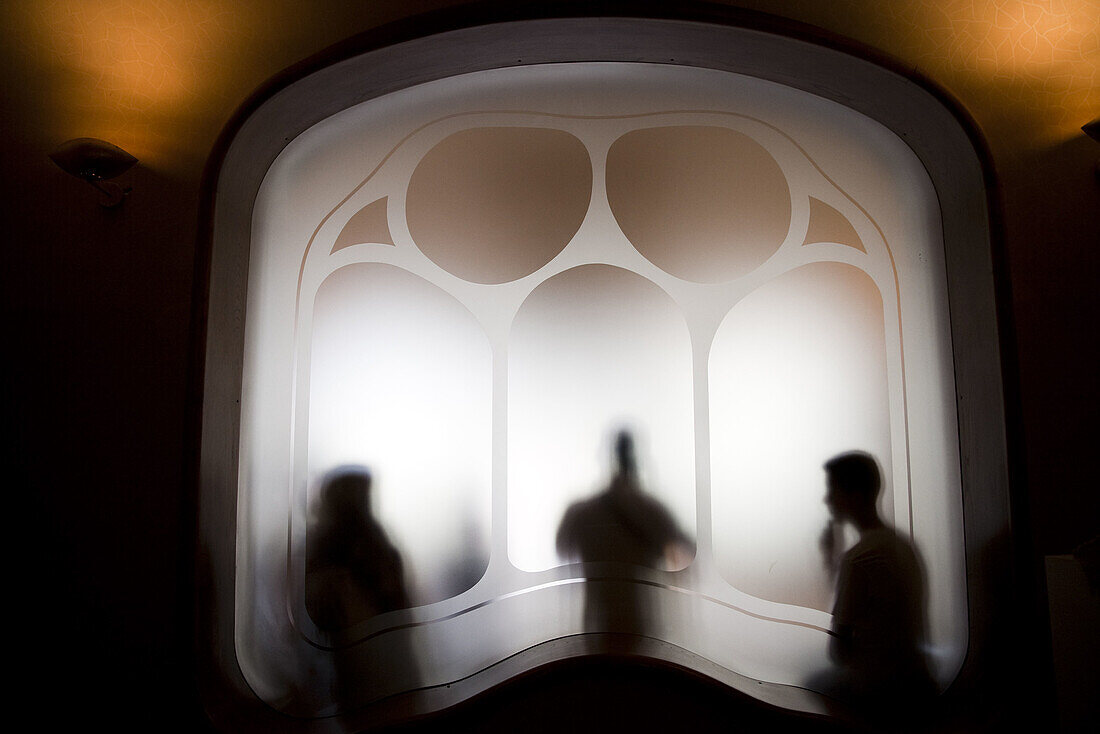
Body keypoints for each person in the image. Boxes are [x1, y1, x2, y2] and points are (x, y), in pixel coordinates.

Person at [816, 451, 936, 726]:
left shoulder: (859, 558)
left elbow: (838, 651)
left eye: (832, 490)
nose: (827, 499)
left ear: (854, 495)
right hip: (917, 682)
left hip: (881, 694)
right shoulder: (903, 546)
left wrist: (831, 562)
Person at [556, 430, 693, 634]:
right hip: (643, 627)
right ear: (636, 458)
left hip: (597, 627)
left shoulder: (581, 512)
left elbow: (562, 549)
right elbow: (688, 550)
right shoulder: (652, 510)